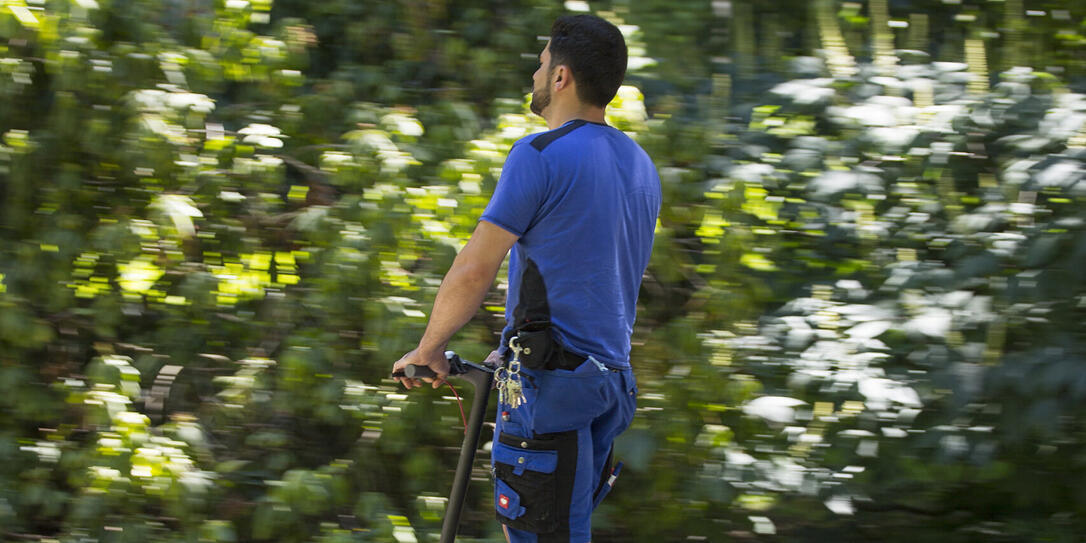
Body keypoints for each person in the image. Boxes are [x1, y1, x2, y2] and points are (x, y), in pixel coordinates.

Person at [392, 14, 661, 543]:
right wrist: (504, 351)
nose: (535, 77)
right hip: (609, 384)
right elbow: (588, 274)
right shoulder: (640, 165)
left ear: (561, 77)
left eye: (541, 66)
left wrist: (429, 349)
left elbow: (474, 267)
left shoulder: (538, 156)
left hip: (551, 390)